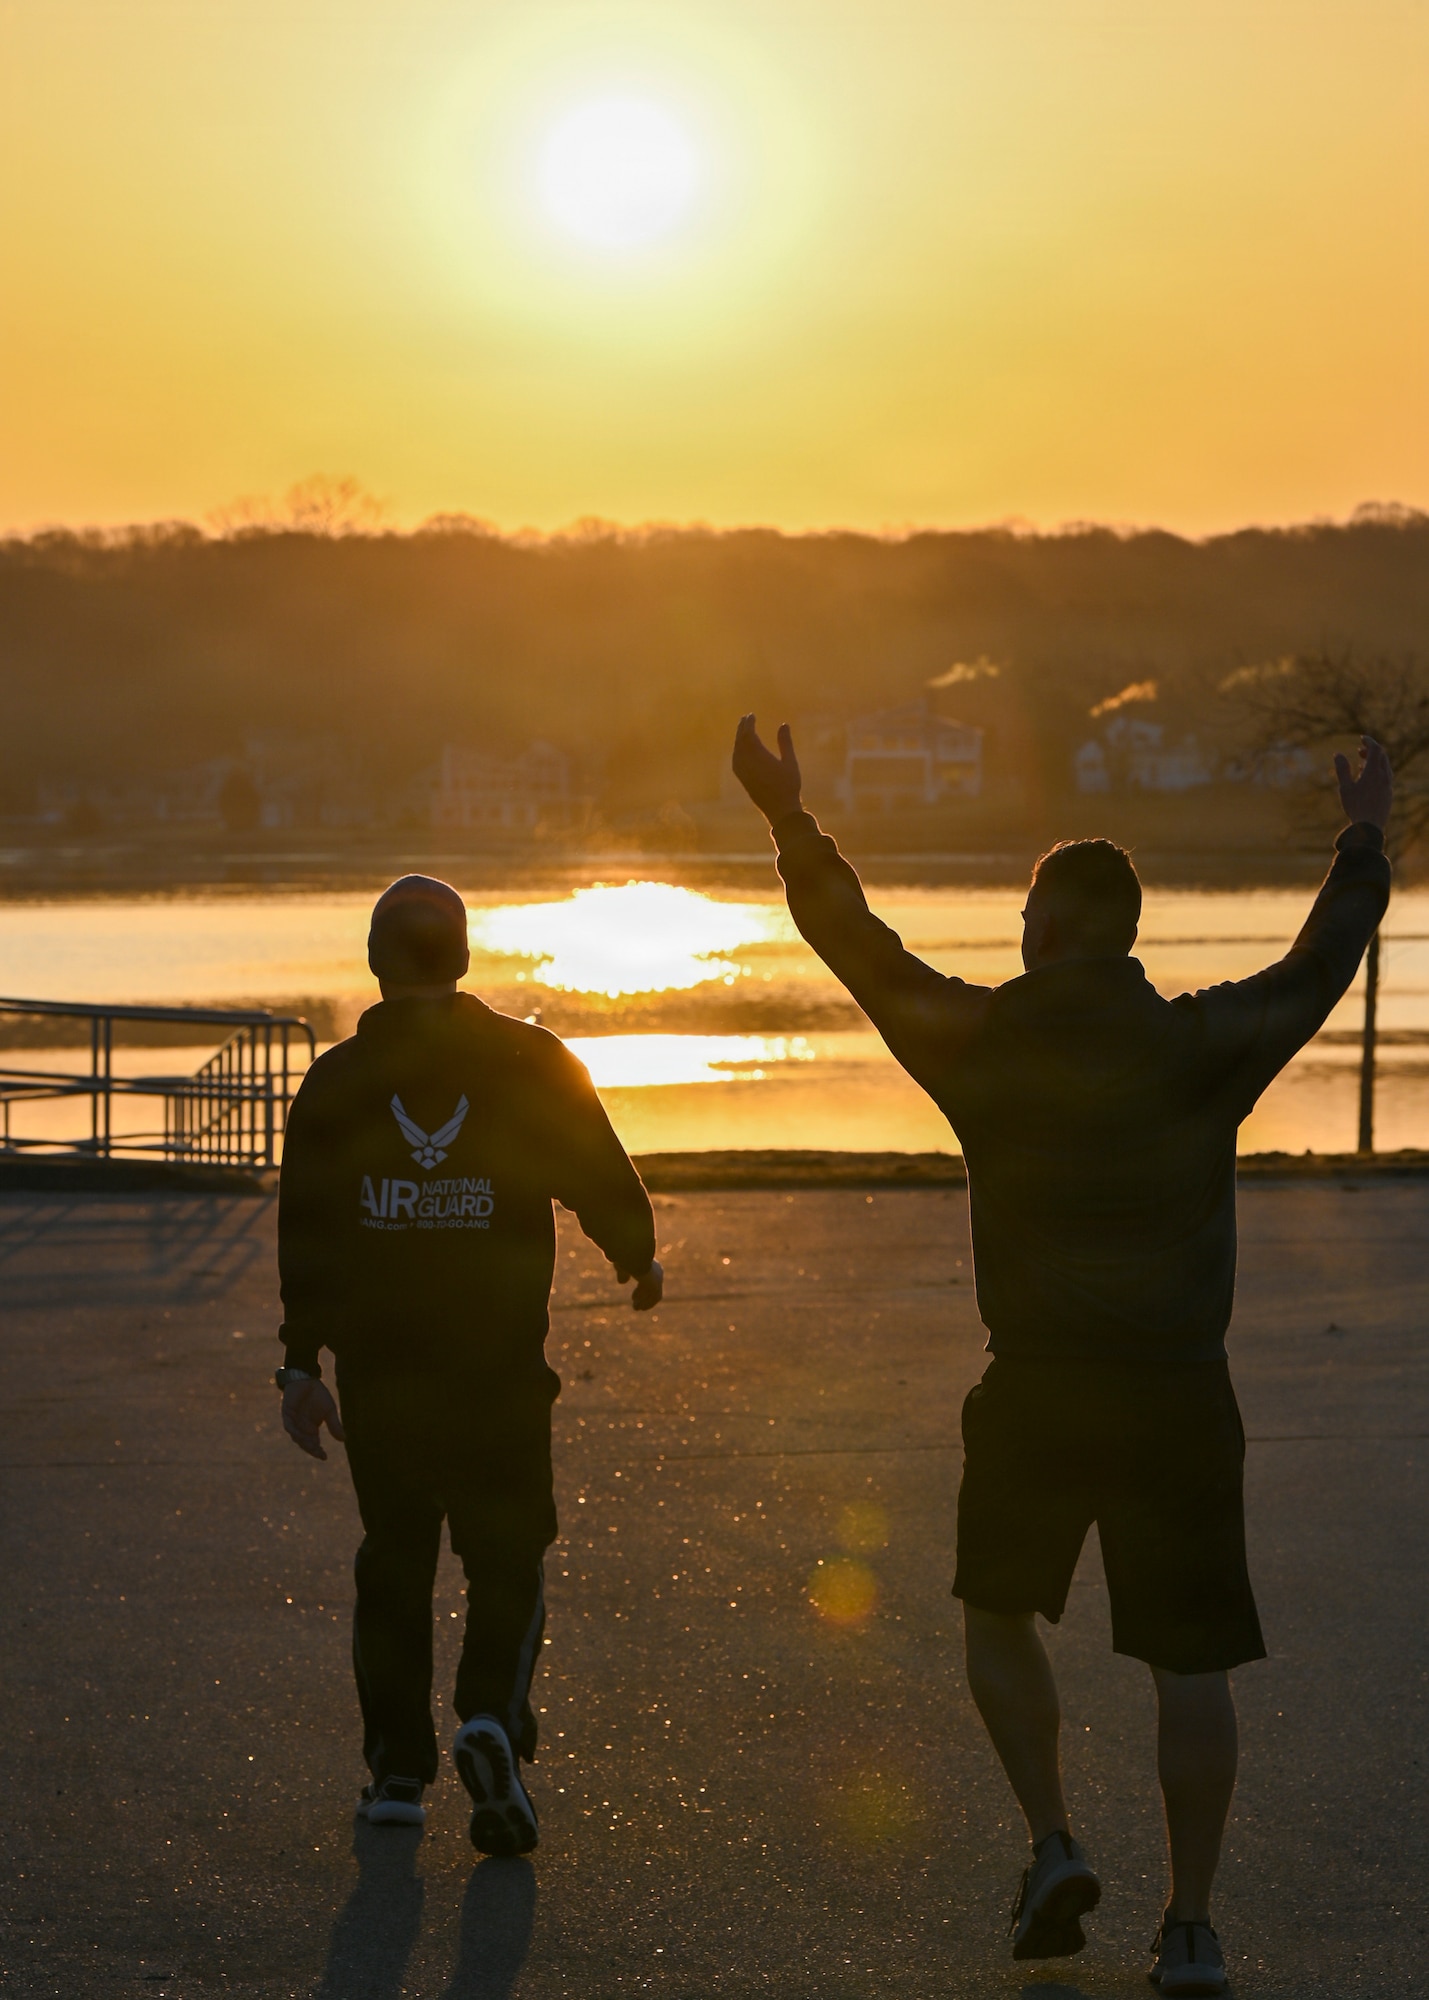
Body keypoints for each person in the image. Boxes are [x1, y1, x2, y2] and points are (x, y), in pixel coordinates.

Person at [732, 716, 1392, 1995]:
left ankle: (1049, 1840)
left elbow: (856, 948)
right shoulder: (1204, 1045)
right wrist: (1361, 833)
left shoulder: (981, 1043)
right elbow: (1324, 959)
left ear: (1042, 925)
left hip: (1035, 1385)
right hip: (1178, 1394)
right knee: (1187, 1665)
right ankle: (1190, 1928)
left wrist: (786, 820)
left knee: (993, 1613)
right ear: (1128, 932)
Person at [275, 874, 662, 1851]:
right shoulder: (530, 1062)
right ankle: (489, 1715)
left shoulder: (335, 1083)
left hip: (383, 1373)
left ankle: (397, 1774)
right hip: (496, 1369)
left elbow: (307, 1231)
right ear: (461, 956)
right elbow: (593, 1163)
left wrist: (297, 1362)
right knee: (508, 1553)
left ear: (375, 958)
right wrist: (635, 1251)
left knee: (394, 1565)